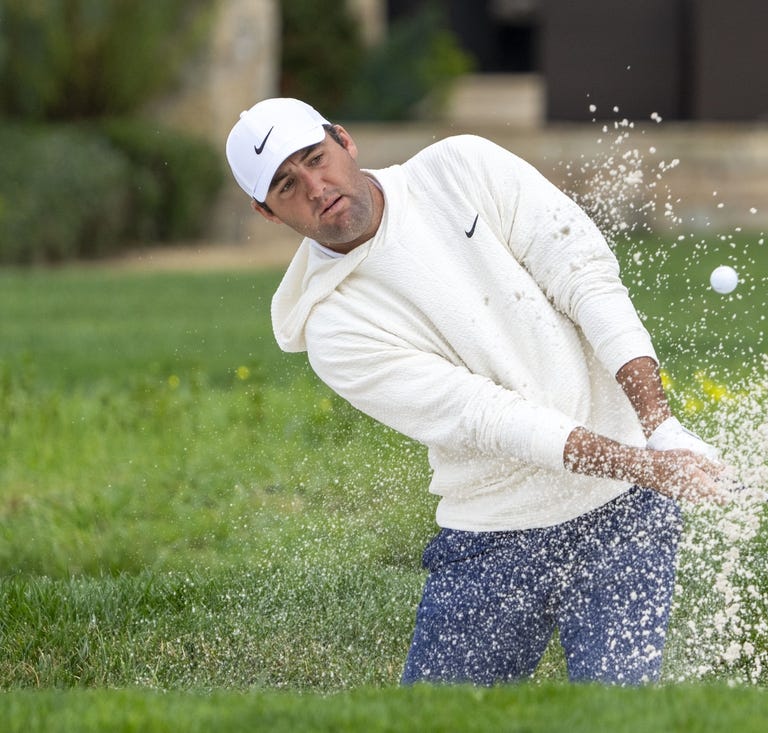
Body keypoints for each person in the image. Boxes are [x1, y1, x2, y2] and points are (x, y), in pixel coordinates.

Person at [225, 97, 727, 685]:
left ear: (345, 141)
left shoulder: (461, 167)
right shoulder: (331, 326)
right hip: (496, 532)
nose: (315, 186)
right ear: (267, 212)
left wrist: (660, 427)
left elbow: (585, 277)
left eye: (316, 158)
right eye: (287, 185)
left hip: (626, 514)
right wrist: (644, 465)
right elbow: (487, 418)